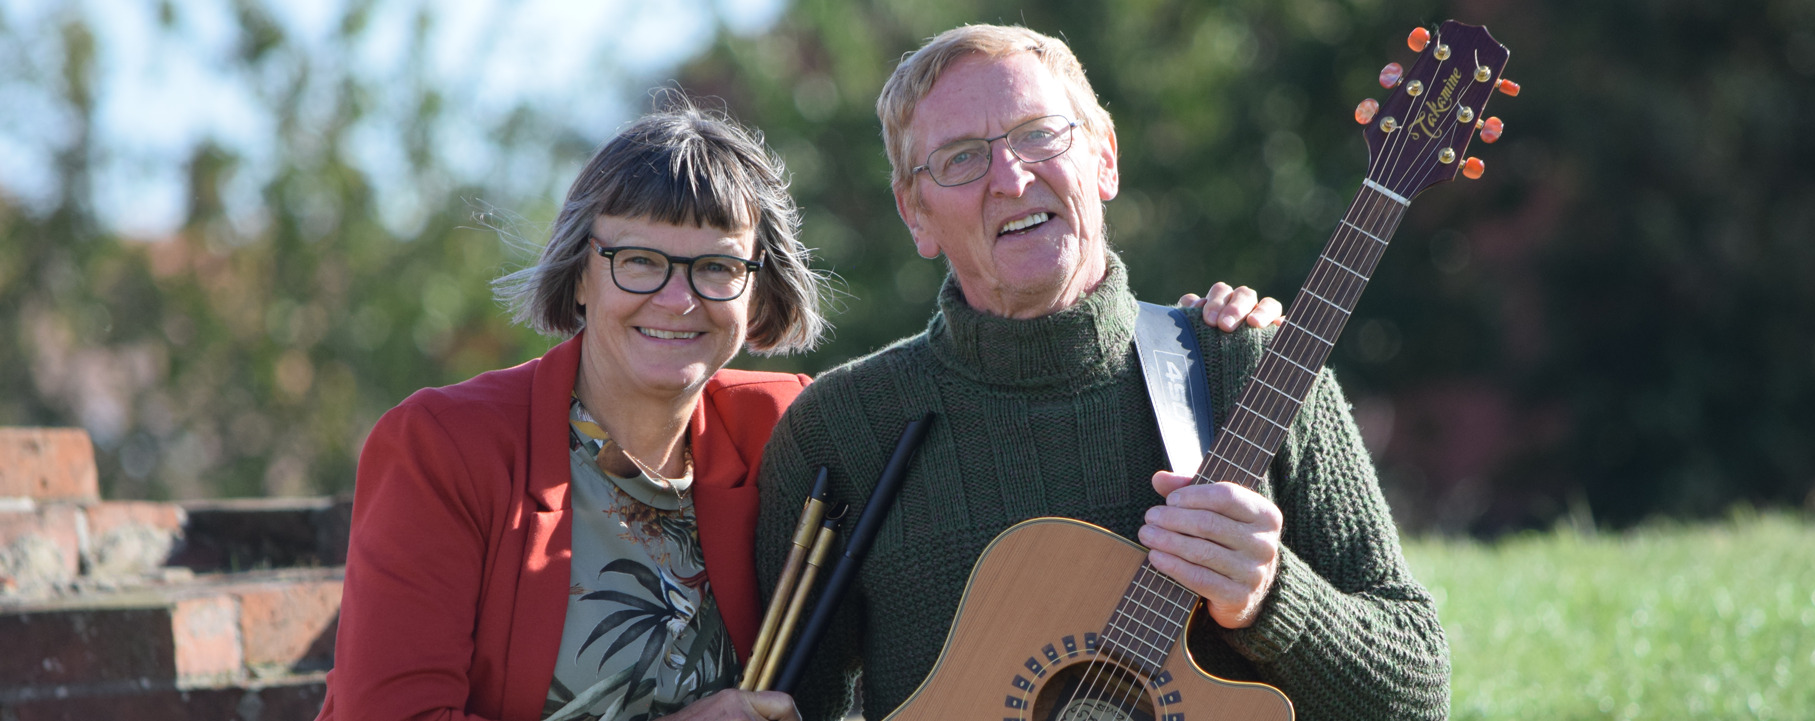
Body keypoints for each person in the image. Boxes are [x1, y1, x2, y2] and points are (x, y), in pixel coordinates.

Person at [317, 96, 1280, 721]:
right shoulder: (445, 445)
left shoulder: (795, 428)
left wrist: (1190, 336)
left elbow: (994, 450)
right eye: (639, 261)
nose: (677, 298)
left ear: (760, 292)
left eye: (716, 268)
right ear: (580, 275)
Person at [753, 24, 1449, 721]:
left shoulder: (1254, 366)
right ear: (916, 213)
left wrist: (1273, 597)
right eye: (962, 158)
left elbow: (1418, 694)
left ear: (1105, 158)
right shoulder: (843, 429)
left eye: (1038, 134)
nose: (1013, 177)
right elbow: (782, 708)